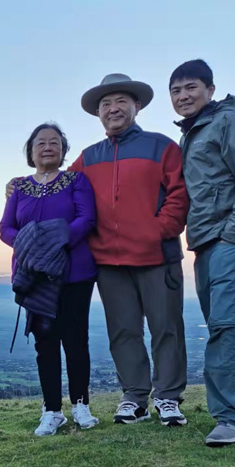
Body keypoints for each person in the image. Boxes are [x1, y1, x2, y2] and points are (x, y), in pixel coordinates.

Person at [69, 74, 190, 426]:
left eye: (120, 100)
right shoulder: (88, 158)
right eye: (105, 104)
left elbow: (180, 195)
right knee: (122, 330)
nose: (113, 108)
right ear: (98, 114)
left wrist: (158, 231)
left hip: (157, 256)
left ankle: (167, 397)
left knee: (166, 327)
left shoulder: (162, 146)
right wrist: (22, 185)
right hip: (108, 261)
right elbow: (64, 190)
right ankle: (134, 397)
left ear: (136, 106)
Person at [169, 59, 235, 447]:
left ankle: (231, 418)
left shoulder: (231, 122)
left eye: (191, 87)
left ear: (211, 89)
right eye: (176, 91)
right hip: (206, 241)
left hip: (230, 239)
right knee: (230, 324)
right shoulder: (193, 133)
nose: (183, 96)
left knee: (229, 325)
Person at [0, 123, 99, 435]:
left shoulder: (76, 181)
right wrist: (33, 244)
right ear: (31, 151)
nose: (47, 147)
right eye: (40, 143)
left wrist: (55, 239)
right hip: (35, 275)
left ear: (63, 149)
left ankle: (81, 405)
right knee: (45, 341)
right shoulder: (19, 188)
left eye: (54, 142)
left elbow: (87, 218)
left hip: (74, 272)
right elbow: (5, 228)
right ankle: (52, 410)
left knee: (75, 338)